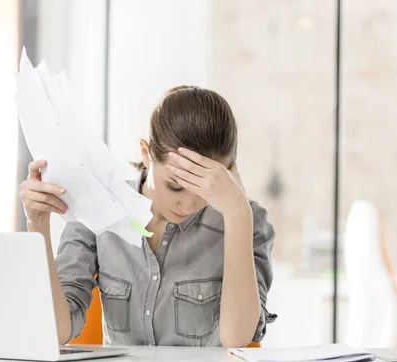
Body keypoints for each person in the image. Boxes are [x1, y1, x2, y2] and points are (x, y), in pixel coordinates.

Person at [19, 85, 276, 347]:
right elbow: (57, 331)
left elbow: (237, 339)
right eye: (174, 186)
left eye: (203, 190)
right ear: (146, 152)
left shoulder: (246, 221)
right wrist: (37, 225)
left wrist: (238, 215)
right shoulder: (99, 211)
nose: (187, 205)